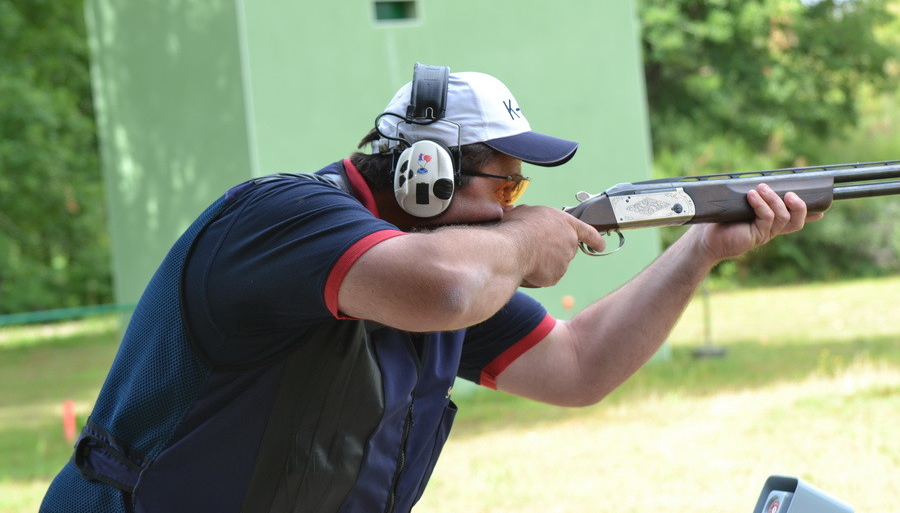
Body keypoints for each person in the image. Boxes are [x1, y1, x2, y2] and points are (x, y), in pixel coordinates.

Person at [41, 65, 820, 513]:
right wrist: (523, 240)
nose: (517, 203)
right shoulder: (284, 217)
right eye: (505, 184)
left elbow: (579, 365)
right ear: (424, 173)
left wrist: (699, 251)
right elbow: (446, 289)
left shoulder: (438, 264)